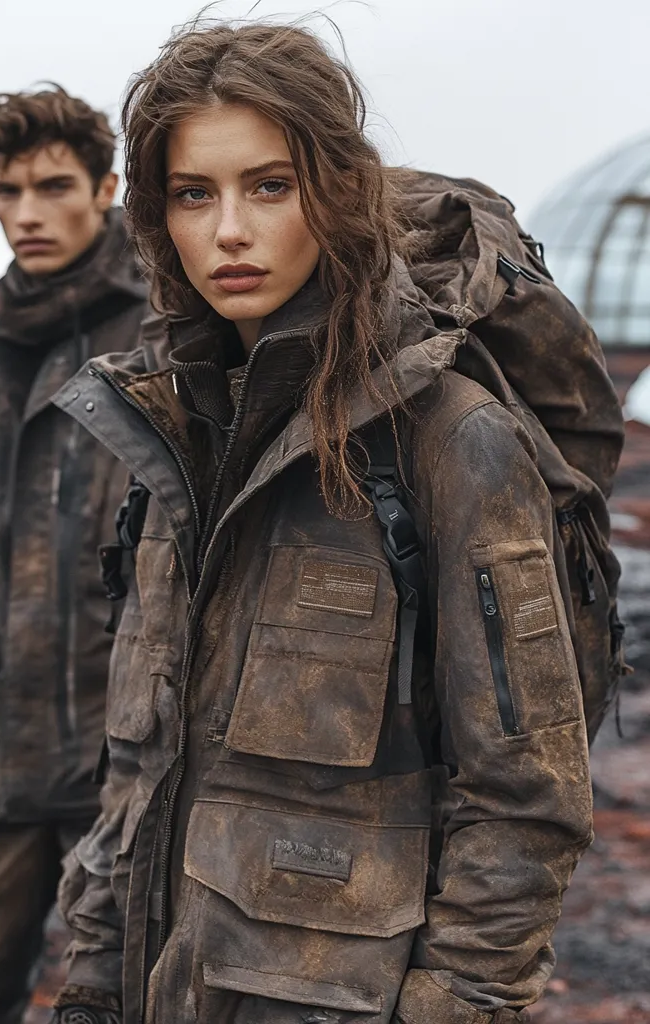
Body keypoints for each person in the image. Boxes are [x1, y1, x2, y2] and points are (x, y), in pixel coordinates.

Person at [49, 22, 619, 1024]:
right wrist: (92, 989)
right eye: (195, 192)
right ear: (156, 215)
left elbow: (525, 806)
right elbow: (138, 772)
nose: (229, 229)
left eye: (269, 186)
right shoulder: (174, 437)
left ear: (334, 192)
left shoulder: (452, 441)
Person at [0, 85, 154, 1024]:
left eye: (52, 187)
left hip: (129, 757)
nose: (26, 214)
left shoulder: (169, 327)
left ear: (106, 189)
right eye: (7, 192)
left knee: (131, 999)